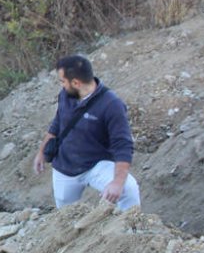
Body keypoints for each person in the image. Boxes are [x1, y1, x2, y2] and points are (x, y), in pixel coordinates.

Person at [33, 55, 141, 211]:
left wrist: (117, 183)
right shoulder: (66, 95)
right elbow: (58, 123)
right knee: (65, 214)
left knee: (128, 188)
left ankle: (132, 228)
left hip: (97, 165)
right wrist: (42, 151)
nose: (62, 86)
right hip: (65, 167)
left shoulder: (111, 105)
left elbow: (123, 145)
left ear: (76, 82)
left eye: (63, 81)